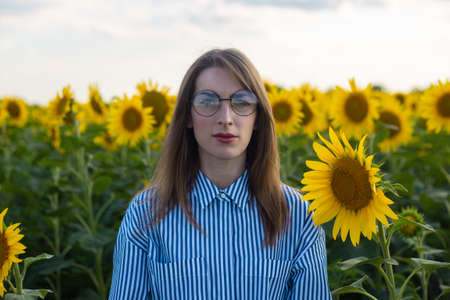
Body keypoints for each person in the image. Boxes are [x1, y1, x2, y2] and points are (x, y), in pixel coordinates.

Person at [108, 48, 331, 299]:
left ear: (258, 118)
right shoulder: (145, 216)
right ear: (188, 116)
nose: (226, 118)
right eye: (207, 101)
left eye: (242, 102)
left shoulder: (298, 216)